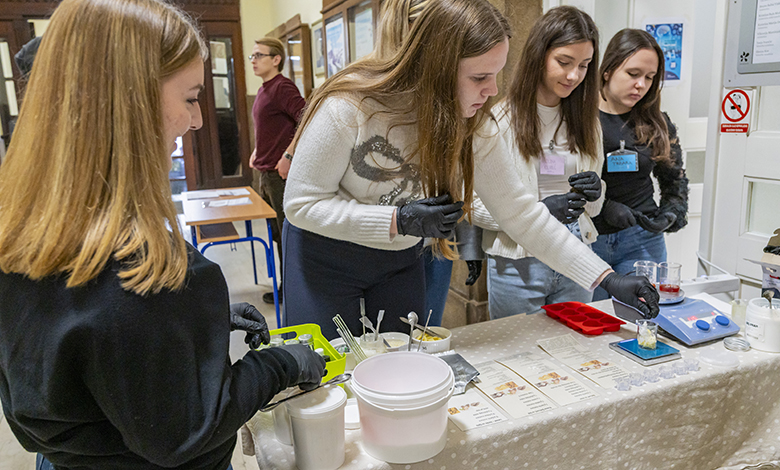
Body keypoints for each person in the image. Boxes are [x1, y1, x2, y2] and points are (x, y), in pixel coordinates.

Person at [0, 1, 325, 469]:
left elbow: (89, 344)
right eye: (191, 97)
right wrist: (281, 365)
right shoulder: (146, 268)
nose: (195, 121)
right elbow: (186, 432)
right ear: (127, 100)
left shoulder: (24, 225)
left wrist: (195, 322)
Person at [282, 0, 659, 341]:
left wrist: (606, 278)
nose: (492, 90)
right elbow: (301, 204)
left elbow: (521, 214)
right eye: (479, 78)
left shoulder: (476, 125)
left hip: (398, 259)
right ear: (434, 67)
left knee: (399, 364)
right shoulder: (348, 107)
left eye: (496, 75)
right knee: (325, 372)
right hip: (325, 255)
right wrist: (397, 220)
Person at [471, 6, 606, 319]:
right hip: (518, 262)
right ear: (538, 55)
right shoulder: (498, 121)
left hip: (576, 252)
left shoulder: (588, 123)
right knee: (520, 358)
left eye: (584, 66)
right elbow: (471, 204)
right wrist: (540, 211)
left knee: (575, 351)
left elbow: (593, 211)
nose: (574, 75)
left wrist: (596, 193)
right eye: (564, 62)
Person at [371, 0, 483, 328]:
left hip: (436, 243)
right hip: (382, 244)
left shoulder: (458, 97)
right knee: (387, 338)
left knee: (425, 329)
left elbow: (463, 179)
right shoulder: (369, 100)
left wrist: (470, 245)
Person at [591, 28, 688, 300]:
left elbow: (675, 181)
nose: (641, 85)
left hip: (642, 240)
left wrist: (671, 213)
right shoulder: (582, 118)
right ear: (608, 70)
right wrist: (604, 209)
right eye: (633, 74)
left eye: (649, 77)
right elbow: (565, 182)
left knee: (641, 322)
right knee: (594, 323)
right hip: (589, 239)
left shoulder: (656, 120)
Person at [248, 37, 306, 305]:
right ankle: (286, 287)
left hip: (280, 175)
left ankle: (293, 291)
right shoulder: (264, 89)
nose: (254, 60)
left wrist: (288, 154)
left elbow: (306, 117)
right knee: (275, 235)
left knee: (287, 235)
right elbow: (268, 128)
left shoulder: (282, 87)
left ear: (276, 59)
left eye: (259, 55)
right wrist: (256, 152)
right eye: (252, 56)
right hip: (265, 173)